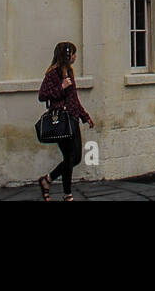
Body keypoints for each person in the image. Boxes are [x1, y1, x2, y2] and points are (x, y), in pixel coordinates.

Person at [37, 41, 94, 201]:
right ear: (67, 55)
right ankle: (67, 195)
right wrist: (61, 86)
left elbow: (73, 98)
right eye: (74, 53)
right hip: (61, 121)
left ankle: (47, 180)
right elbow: (42, 95)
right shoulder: (53, 73)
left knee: (75, 158)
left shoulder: (69, 71)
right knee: (69, 157)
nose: (76, 56)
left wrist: (85, 116)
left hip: (73, 119)